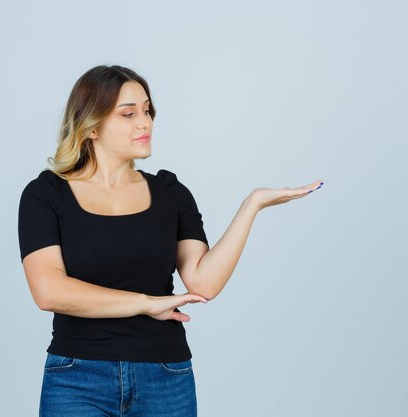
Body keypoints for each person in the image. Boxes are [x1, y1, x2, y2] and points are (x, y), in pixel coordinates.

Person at [18, 64, 323, 417]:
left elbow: (203, 283)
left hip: (164, 375)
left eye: (147, 111)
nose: (144, 123)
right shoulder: (46, 195)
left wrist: (251, 205)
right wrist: (147, 303)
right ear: (91, 126)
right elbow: (49, 291)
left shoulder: (170, 193)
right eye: (128, 113)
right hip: (77, 376)